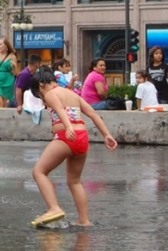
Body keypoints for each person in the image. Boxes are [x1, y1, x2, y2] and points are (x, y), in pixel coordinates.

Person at [29, 65, 118, 227]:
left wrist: (68, 127)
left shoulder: (50, 94)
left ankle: (54, 207)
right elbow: (92, 113)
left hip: (67, 137)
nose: (42, 99)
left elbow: (59, 110)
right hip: (82, 138)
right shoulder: (72, 94)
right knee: (75, 181)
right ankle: (84, 220)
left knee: (39, 172)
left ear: (41, 85)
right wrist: (106, 134)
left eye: (39, 94)